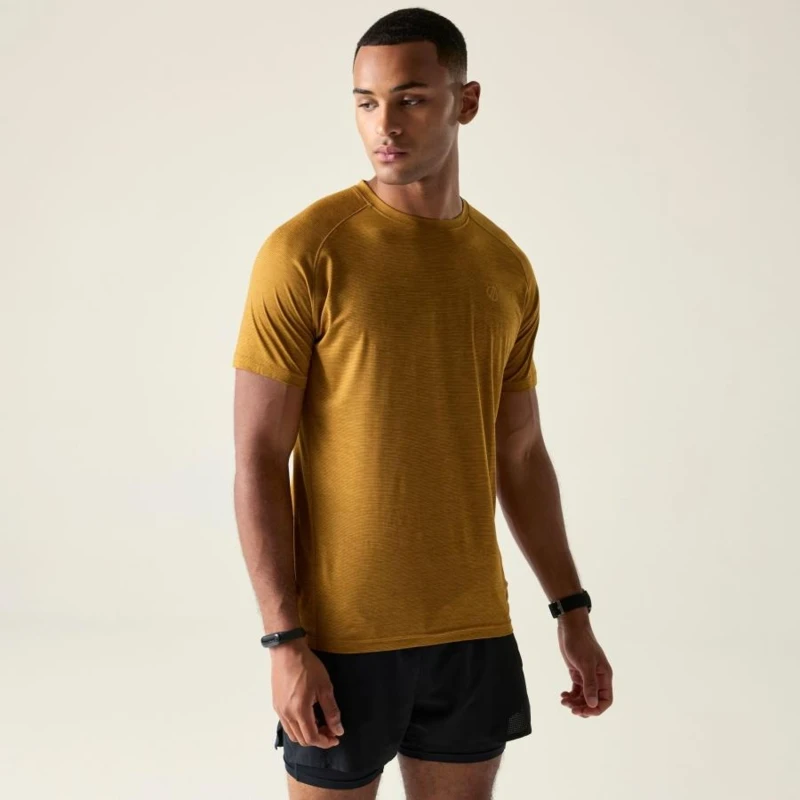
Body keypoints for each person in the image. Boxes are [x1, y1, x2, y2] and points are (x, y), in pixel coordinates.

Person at [231, 7, 613, 799]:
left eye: (410, 98)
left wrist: (570, 609)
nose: (385, 124)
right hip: (341, 638)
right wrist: (283, 639)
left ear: (465, 102)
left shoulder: (505, 268)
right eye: (366, 102)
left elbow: (521, 455)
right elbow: (259, 457)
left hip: (473, 631)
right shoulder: (306, 253)